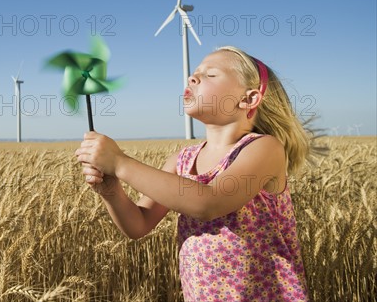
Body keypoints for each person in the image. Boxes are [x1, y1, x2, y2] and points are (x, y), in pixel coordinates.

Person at [75, 46, 310, 302]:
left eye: (210, 74)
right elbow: (138, 224)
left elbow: (208, 202)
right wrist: (111, 191)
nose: (192, 77)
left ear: (248, 99)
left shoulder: (263, 148)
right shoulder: (182, 161)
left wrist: (120, 163)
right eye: (194, 73)